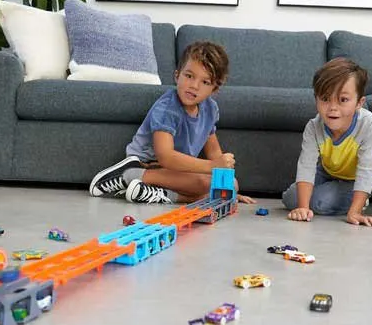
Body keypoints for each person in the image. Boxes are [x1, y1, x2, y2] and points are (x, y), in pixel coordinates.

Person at [88, 41, 253, 205]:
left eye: (205, 82)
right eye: (189, 76)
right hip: (150, 164)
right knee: (204, 183)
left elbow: (214, 151)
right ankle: (130, 174)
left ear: (214, 89)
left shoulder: (210, 109)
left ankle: (151, 192)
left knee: (233, 184)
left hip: (176, 169)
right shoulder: (167, 107)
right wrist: (211, 166)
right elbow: (165, 157)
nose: (194, 86)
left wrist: (226, 190)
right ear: (177, 75)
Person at [282, 57, 372, 227]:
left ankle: (360, 201)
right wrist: (303, 208)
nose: (332, 107)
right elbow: (306, 166)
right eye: (325, 98)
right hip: (329, 172)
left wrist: (355, 212)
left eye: (343, 100)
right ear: (316, 99)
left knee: (320, 201)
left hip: (359, 178)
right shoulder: (313, 127)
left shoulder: (368, 124)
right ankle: (333, 193)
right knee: (291, 198)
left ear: (359, 103)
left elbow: (366, 170)